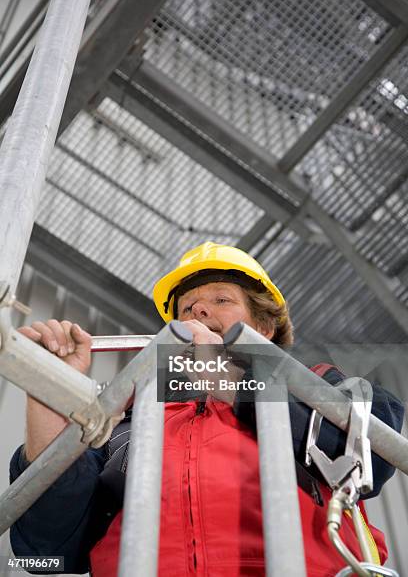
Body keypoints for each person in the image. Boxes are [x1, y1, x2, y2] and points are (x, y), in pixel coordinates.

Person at [10, 242, 404, 576]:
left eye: (220, 300)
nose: (198, 312)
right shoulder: (128, 425)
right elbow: (46, 551)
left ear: (264, 328)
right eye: (187, 309)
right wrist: (48, 394)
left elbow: (374, 452)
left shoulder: (317, 388)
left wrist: (225, 374)